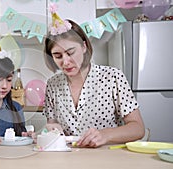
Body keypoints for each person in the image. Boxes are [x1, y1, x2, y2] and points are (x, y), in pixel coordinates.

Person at [42, 4, 145, 148]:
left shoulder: (112, 77)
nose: (65, 62)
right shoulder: (53, 84)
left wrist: (106, 134)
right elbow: (52, 122)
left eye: (71, 52)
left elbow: (138, 128)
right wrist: (52, 128)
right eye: (57, 56)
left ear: (84, 47)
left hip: (106, 157)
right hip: (68, 157)